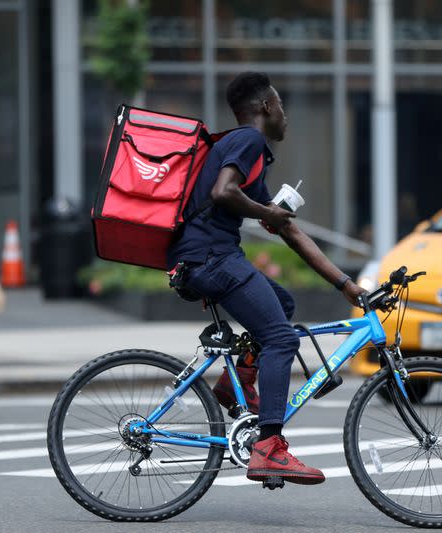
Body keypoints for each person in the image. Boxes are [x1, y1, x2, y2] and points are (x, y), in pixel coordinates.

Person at [167, 72, 367, 485]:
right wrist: (266, 213)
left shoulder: (248, 159)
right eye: (282, 106)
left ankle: (233, 384)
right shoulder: (248, 141)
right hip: (212, 257)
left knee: (284, 306)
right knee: (282, 339)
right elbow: (224, 192)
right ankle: (269, 448)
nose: (285, 116)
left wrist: (348, 287)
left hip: (206, 258)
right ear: (265, 108)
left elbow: (291, 232)